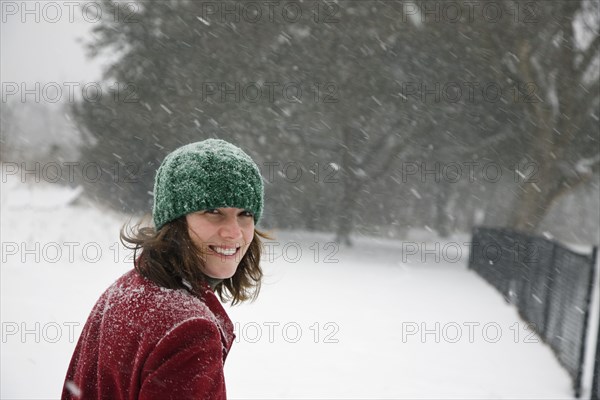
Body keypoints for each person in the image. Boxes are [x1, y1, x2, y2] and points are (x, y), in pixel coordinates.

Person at [62, 139, 268, 399]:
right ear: (175, 221)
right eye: (213, 211)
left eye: (245, 213)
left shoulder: (127, 289)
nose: (234, 232)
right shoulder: (189, 329)